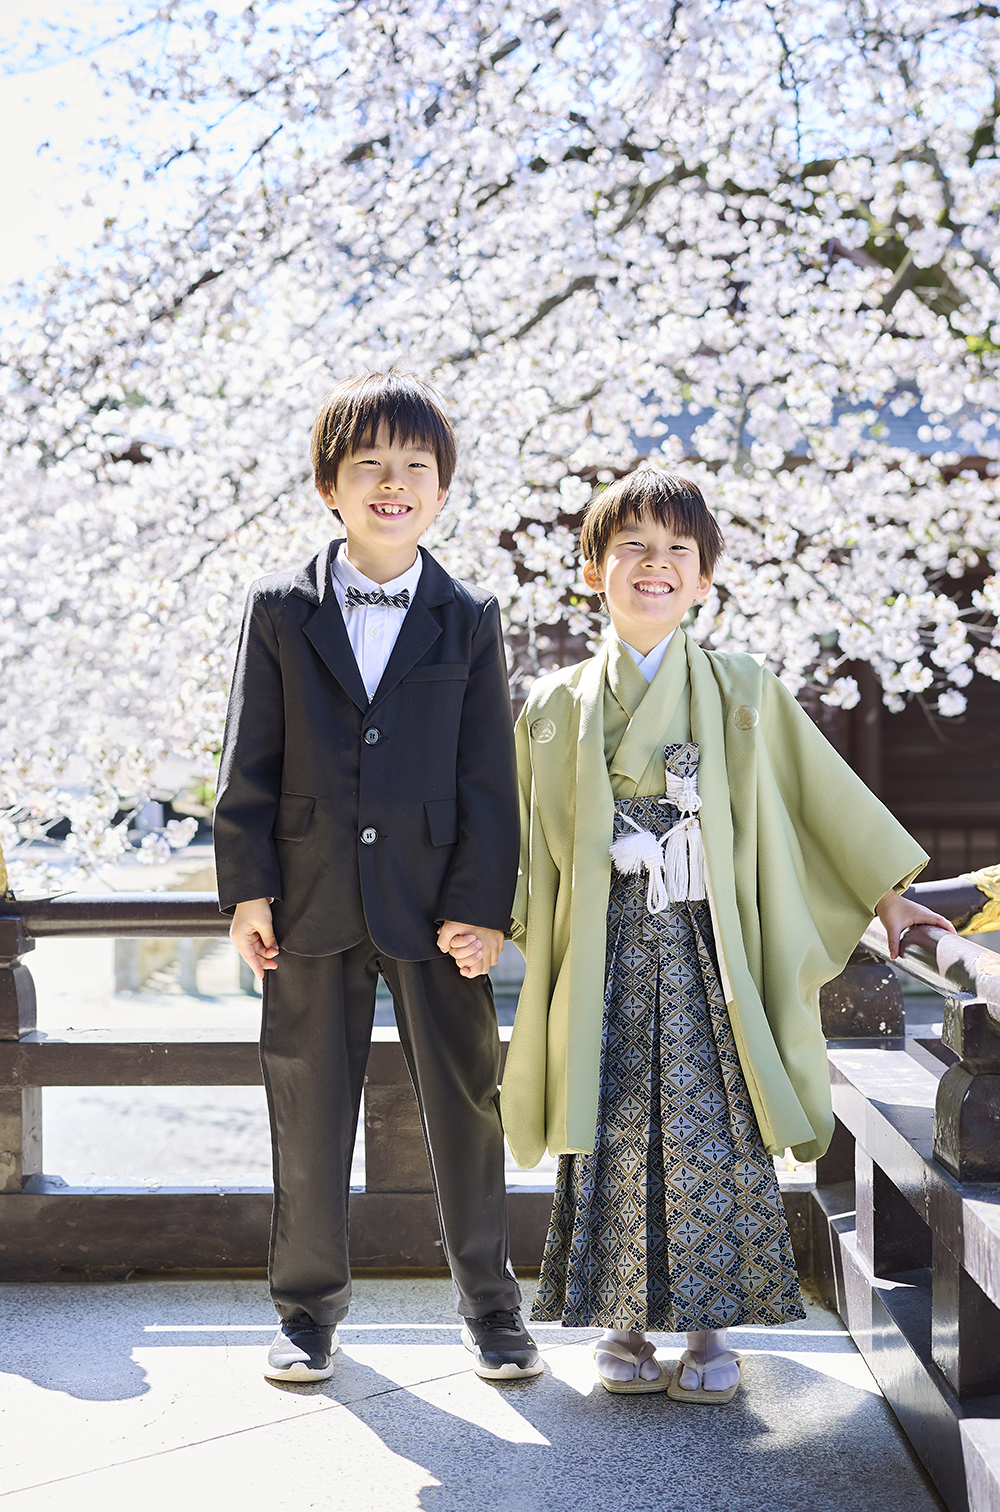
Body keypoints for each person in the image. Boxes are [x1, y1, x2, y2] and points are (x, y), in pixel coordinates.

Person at [491, 468, 953, 1399]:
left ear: (704, 581)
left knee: (716, 1129)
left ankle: (709, 1335)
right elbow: (512, 834)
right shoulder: (552, 706)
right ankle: (619, 1327)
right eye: (632, 549)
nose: (654, 567)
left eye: (678, 554)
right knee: (611, 1125)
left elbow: (819, 797)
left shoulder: (744, 689)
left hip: (712, 949)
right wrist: (483, 917)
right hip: (605, 947)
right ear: (592, 571)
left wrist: (886, 890)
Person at [214, 370, 541, 1383]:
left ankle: (492, 1308)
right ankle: (305, 1315)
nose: (391, 484)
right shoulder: (279, 610)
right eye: (369, 467)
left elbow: (490, 778)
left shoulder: (468, 615)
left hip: (439, 906)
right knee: (307, 1105)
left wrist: (484, 908)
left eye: (415, 468)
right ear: (329, 487)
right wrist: (247, 887)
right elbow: (249, 760)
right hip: (306, 897)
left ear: (442, 490)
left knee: (465, 1106)